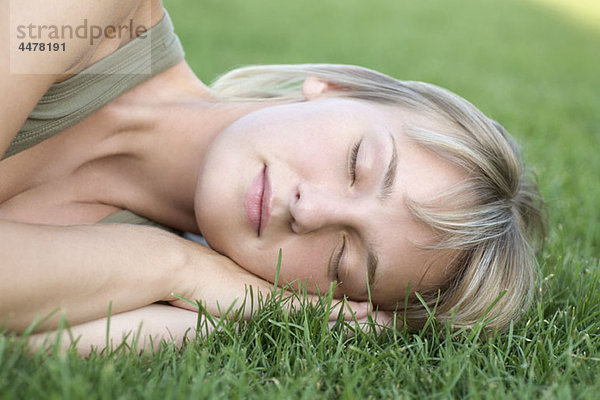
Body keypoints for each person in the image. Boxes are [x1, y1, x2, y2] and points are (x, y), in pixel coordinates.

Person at [1, 0, 545, 354]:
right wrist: (181, 268)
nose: (311, 211)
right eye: (358, 163)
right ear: (336, 87)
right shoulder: (95, 16)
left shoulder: (151, 279)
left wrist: (194, 284)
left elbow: (29, 346)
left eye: (342, 261)